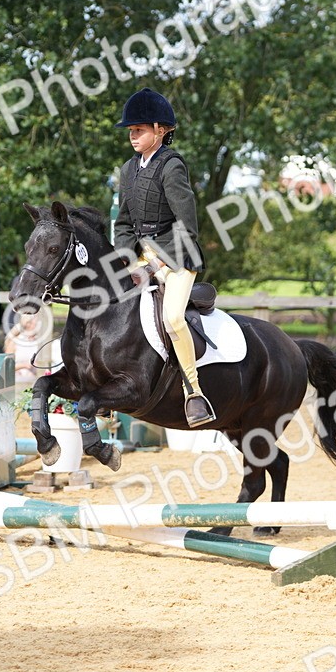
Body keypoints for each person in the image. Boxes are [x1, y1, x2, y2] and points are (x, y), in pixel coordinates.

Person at [113, 87, 213, 427]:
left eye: (139, 130)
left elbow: (189, 226)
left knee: (172, 318)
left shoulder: (171, 167)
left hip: (178, 257)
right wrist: (128, 260)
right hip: (142, 257)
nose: (132, 136)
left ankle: (194, 393)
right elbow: (124, 223)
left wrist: (158, 263)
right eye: (130, 130)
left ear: (160, 130)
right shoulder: (128, 170)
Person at [6, 311, 46, 386]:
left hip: (34, 380)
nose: (39, 324)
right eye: (36, 322)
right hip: (17, 381)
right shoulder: (15, 341)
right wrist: (24, 365)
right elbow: (7, 367)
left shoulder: (39, 341)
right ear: (29, 323)